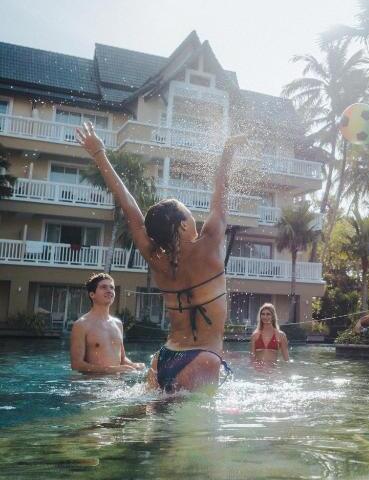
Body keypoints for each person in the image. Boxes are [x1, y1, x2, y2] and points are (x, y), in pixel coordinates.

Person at [76, 122, 245, 392]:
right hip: (203, 359)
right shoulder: (210, 243)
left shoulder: (157, 259)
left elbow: (130, 210)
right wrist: (227, 153)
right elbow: (221, 191)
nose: (193, 215)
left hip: (164, 357)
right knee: (186, 431)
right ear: (183, 225)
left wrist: (99, 154)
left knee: (153, 420)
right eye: (188, 212)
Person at [70, 273, 145, 373]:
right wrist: (110, 370)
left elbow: (122, 359)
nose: (109, 290)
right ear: (92, 294)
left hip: (116, 385)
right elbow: (76, 365)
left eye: (112, 288)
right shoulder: (81, 325)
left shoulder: (118, 324)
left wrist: (134, 365)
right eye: (103, 287)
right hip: (93, 385)